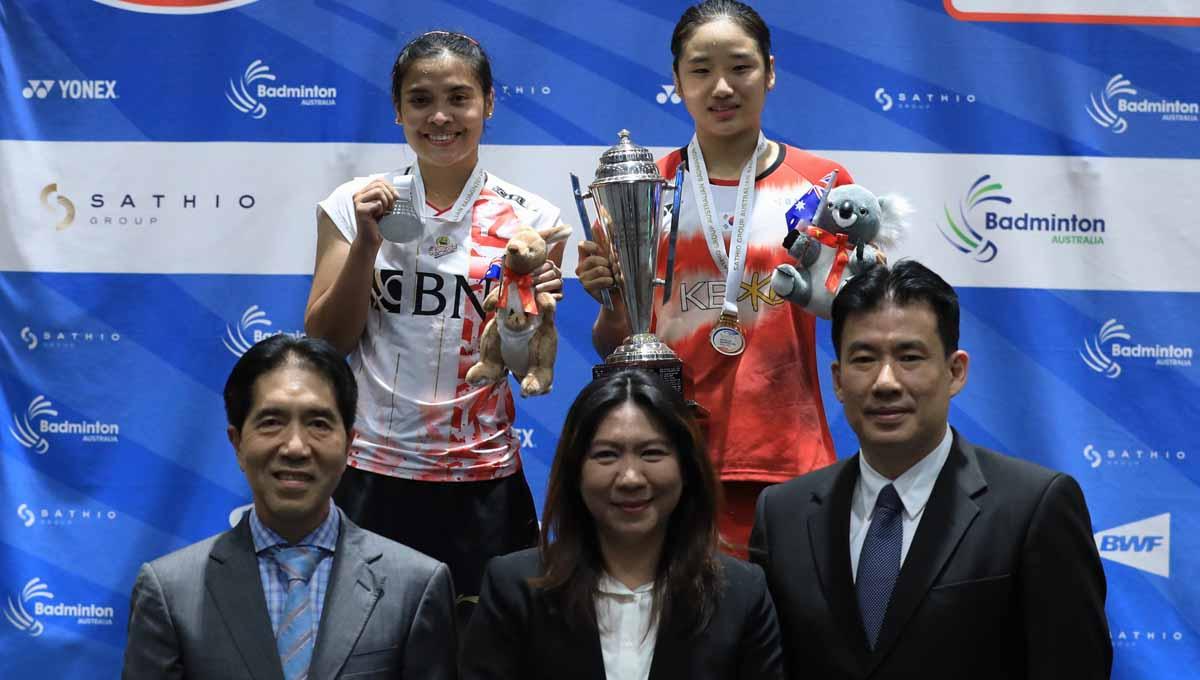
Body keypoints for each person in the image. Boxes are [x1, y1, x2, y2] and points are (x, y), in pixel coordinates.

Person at [304, 30, 567, 618]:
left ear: (489, 103)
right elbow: (326, 343)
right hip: (373, 472)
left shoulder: (531, 222)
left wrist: (522, 328)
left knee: (481, 660)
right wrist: (366, 247)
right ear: (397, 110)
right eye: (420, 100)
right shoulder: (355, 203)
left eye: (459, 97)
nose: (440, 116)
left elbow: (525, 366)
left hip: (484, 478)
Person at [575, 0, 853, 556]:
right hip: (671, 460)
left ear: (770, 72)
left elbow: (846, 313)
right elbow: (616, 344)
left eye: (740, 67)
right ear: (676, 81)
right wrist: (610, 303)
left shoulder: (823, 184)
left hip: (787, 454)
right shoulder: (642, 191)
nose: (722, 87)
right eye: (701, 69)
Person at [750, 260, 1112, 679]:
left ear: (955, 371)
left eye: (909, 357)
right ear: (838, 378)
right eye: (864, 359)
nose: (885, 382)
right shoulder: (782, 515)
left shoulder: (1034, 508)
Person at [122, 335, 456, 680]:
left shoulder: (415, 587)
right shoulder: (171, 591)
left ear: (349, 445)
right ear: (237, 444)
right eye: (271, 422)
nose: (296, 447)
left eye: (318, 424)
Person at [461, 370, 784, 680]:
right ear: (576, 471)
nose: (630, 477)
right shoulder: (516, 587)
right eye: (606, 455)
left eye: (652, 453)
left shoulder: (741, 594)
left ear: (686, 468)